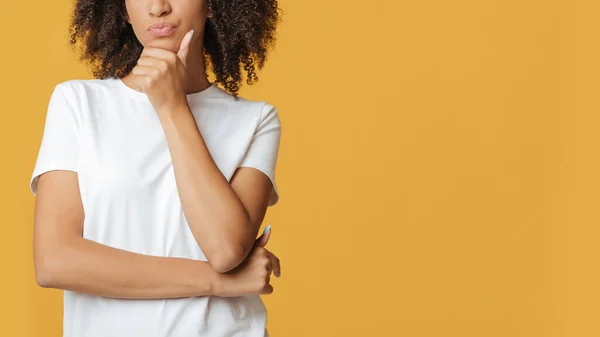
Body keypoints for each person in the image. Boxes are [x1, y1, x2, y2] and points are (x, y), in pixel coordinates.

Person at [28, 0, 283, 336]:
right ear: (122, 9)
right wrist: (217, 283)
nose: (158, 7)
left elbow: (225, 250)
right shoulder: (78, 103)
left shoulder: (255, 120)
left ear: (213, 5)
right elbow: (55, 262)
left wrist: (171, 106)